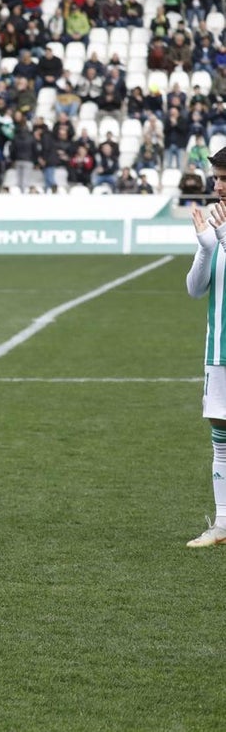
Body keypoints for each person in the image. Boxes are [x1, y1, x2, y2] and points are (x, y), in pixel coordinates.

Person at [184, 149, 226, 546]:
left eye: (224, 178)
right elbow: (195, 290)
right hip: (220, 352)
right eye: (216, 178)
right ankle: (223, 525)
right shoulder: (215, 226)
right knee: (221, 432)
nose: (217, 186)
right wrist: (207, 248)